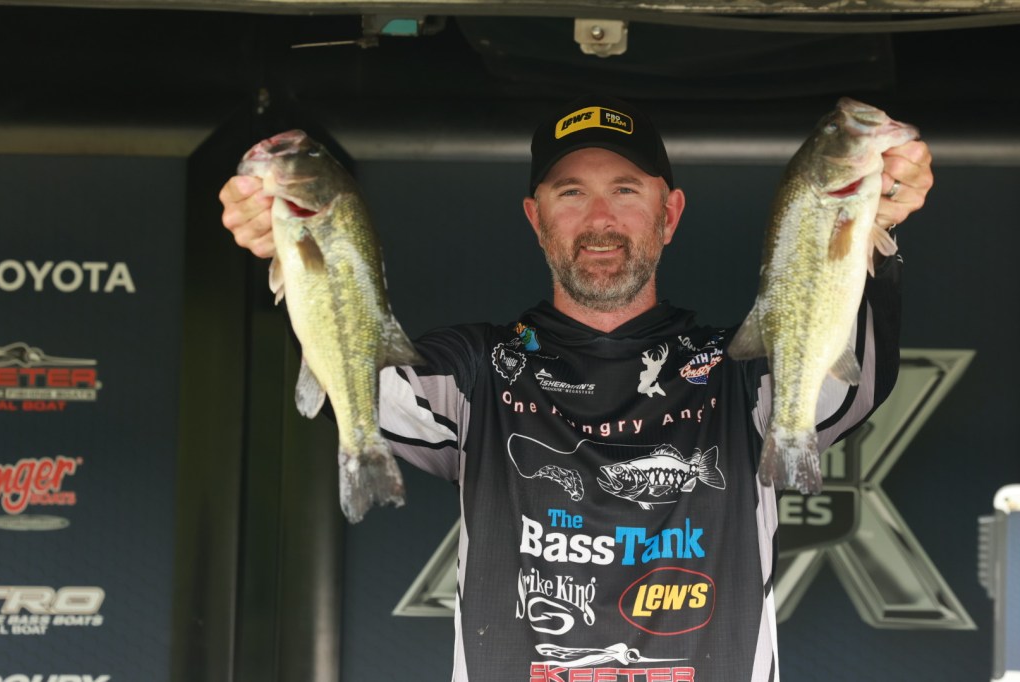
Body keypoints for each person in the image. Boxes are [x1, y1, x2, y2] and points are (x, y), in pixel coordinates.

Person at [219, 95, 933, 681]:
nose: (600, 221)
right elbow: (369, 388)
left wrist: (873, 223)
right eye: (571, 193)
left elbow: (848, 387)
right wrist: (290, 246)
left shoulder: (739, 373)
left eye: (625, 190)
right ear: (536, 219)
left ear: (669, 214)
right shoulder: (477, 371)